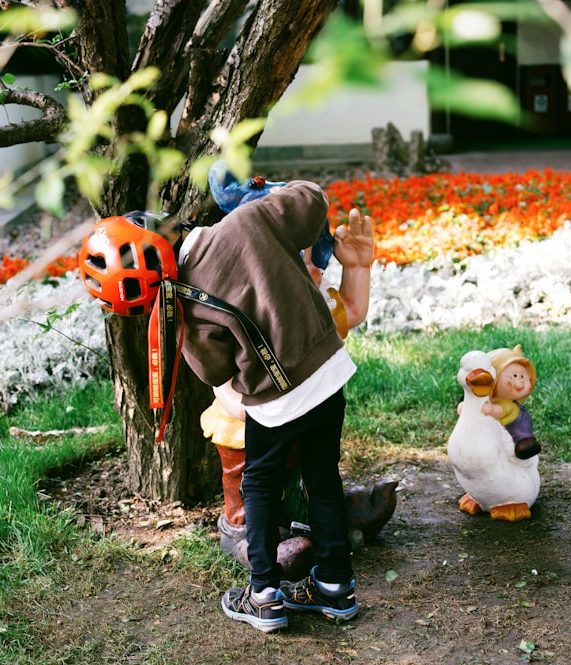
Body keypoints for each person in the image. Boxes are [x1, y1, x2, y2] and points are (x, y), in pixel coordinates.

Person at [77, 167, 374, 634]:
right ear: (164, 223)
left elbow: (217, 372)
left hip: (273, 404)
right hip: (329, 373)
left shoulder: (184, 309)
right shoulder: (247, 221)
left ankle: (264, 596)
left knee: (257, 488)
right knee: (322, 477)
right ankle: (336, 587)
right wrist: (262, 192)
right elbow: (311, 200)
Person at [199, 162, 376, 582]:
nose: (301, 270)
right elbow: (219, 378)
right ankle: (252, 536)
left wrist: (357, 269)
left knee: (315, 471)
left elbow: (350, 311)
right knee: (253, 485)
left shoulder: (310, 306)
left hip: (304, 406)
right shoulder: (237, 309)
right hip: (254, 419)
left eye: (310, 261)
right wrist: (257, 404)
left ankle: (313, 524)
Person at [487, 345, 541, 460]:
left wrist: (487, 409)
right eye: (515, 376)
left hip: (516, 424)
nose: (520, 380)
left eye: (523, 376)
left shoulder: (506, 405)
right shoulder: (500, 401)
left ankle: (525, 444)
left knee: (520, 434)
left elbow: (496, 411)